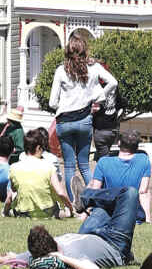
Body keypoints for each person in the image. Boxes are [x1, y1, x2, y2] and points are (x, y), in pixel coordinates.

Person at [48, 32, 117, 202]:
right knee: (85, 165)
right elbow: (113, 82)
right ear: (85, 50)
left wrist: (63, 107)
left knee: (69, 166)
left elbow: (51, 102)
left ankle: (74, 203)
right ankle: (93, 199)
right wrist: (98, 97)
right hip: (84, 119)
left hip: (65, 121)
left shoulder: (61, 70)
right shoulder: (93, 68)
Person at [25, 184, 143, 269]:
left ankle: (85, 198)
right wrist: (61, 257)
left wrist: (10, 258)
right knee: (129, 193)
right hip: (114, 243)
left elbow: (13, 257)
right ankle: (84, 197)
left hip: (88, 233)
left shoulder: (43, 247)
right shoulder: (71, 256)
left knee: (106, 204)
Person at [86, 128, 152, 222]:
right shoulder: (144, 159)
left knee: (92, 183)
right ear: (137, 146)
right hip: (132, 214)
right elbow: (143, 191)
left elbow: (95, 189)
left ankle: (84, 211)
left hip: (108, 212)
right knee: (146, 190)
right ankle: (147, 219)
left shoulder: (103, 162)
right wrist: (147, 218)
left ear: (119, 143)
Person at [6, 127, 73, 217]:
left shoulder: (14, 167)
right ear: (38, 148)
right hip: (47, 212)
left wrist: (5, 211)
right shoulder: (49, 167)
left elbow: (13, 190)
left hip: (23, 213)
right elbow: (60, 193)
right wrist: (71, 208)